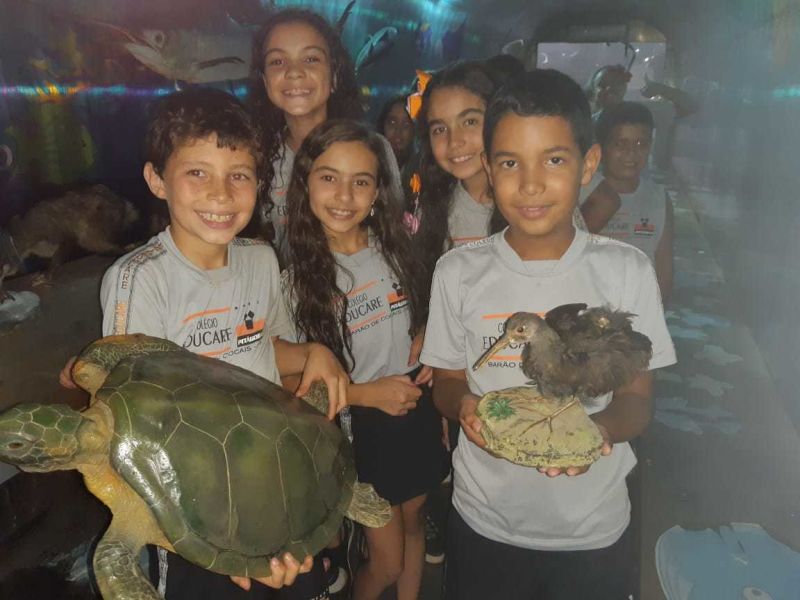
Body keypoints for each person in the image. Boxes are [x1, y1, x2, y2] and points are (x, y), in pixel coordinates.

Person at [61, 88, 348, 600]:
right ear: (157, 180)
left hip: (269, 483)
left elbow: (262, 351)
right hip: (190, 510)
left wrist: (312, 353)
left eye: (239, 175)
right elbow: (134, 430)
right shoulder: (140, 279)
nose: (221, 194)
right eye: (198, 172)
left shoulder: (260, 260)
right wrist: (228, 548)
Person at [420, 69, 676, 600]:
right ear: (488, 168)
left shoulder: (627, 269)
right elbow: (446, 380)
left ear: (589, 164)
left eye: (554, 160)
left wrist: (596, 433)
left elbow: (636, 399)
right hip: (484, 519)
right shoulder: (457, 271)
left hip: (592, 527)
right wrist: (464, 405)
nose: (530, 184)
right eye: (510, 162)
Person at [282, 119, 448, 600]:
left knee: (415, 522)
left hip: (415, 408)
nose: (344, 195)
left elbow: (426, 317)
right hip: (358, 425)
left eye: (361, 181)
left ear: (378, 191)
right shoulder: (294, 282)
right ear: (306, 184)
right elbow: (288, 381)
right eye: (328, 177)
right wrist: (362, 394)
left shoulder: (399, 253)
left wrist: (430, 338)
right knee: (387, 562)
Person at [247, 8, 401, 264]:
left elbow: (393, 236)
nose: (294, 72)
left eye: (311, 59)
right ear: (264, 80)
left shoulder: (372, 151)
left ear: (335, 75)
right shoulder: (257, 156)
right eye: (277, 61)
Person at [580, 101, 674, 301]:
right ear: (600, 148)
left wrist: (656, 313)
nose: (631, 153)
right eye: (620, 144)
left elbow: (664, 273)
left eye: (641, 144)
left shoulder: (658, 199)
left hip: (637, 306)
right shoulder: (583, 191)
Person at [586, 64, 697, 171]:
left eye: (616, 84)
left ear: (624, 88)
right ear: (592, 89)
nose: (609, 88)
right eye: (602, 85)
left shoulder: (639, 113)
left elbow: (690, 106)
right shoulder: (582, 120)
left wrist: (661, 89)